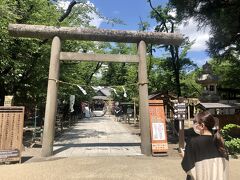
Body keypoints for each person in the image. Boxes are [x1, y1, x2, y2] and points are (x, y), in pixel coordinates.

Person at [181, 111, 229, 180]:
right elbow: (224, 169)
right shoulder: (220, 142)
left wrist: (184, 156)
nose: (194, 126)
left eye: (195, 123)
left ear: (202, 126)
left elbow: (189, 168)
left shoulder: (194, 142)